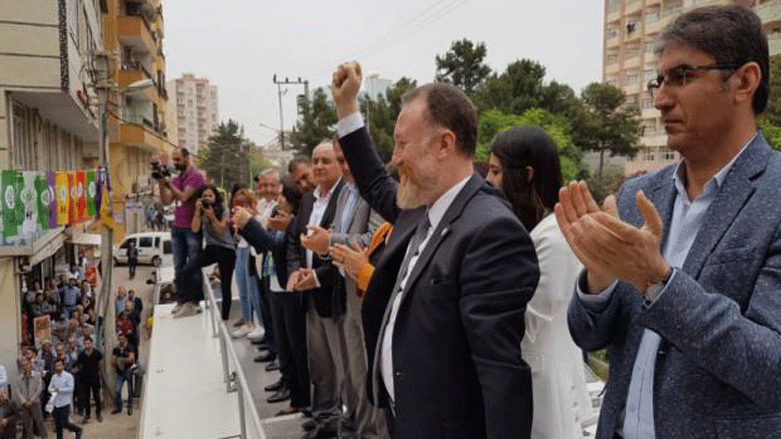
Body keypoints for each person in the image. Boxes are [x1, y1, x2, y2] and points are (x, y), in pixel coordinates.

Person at [556, 6, 781, 438]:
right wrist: (598, 279)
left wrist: (658, 281)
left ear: (744, 81)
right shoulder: (638, 197)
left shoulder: (774, 198)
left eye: (682, 77)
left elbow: (771, 369)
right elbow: (587, 335)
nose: (660, 99)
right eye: (659, 81)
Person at [331, 62, 539, 438]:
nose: (394, 158)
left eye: (402, 144)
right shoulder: (420, 207)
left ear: (445, 144)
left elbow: (501, 377)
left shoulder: (490, 231)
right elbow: (377, 184)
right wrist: (347, 110)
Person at [486, 127, 590, 439]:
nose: (489, 181)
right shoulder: (539, 230)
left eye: (495, 171)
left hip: (542, 383)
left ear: (526, 174)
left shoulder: (552, 237)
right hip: (537, 376)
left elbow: (531, 324)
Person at [300, 134, 384, 438]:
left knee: (370, 380)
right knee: (353, 376)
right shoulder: (348, 191)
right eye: (339, 159)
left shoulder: (378, 192)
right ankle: (358, 430)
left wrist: (329, 242)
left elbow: (373, 244)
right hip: (346, 295)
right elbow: (338, 230)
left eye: (343, 160)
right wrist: (322, 242)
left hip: (367, 292)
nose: (343, 166)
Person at [234, 176, 312, 415]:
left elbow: (276, 247)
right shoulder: (280, 219)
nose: (277, 200)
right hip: (274, 283)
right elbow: (264, 248)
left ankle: (300, 397)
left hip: (288, 289)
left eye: (281, 196)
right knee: (282, 341)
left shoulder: (294, 223)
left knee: (294, 346)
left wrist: (251, 225)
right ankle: (291, 388)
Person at [286, 142, 346, 421]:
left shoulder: (346, 198)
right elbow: (294, 242)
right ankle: (324, 417)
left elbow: (344, 249)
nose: (319, 166)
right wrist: (295, 271)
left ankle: (345, 420)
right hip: (307, 297)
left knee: (343, 366)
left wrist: (317, 278)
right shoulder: (309, 200)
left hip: (335, 295)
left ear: (339, 165)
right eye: (316, 160)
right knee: (319, 363)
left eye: (327, 160)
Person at [175, 185, 236, 320]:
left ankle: (225, 317)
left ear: (215, 197)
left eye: (210, 196)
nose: (208, 199)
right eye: (205, 197)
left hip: (226, 249)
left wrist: (213, 217)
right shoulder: (201, 210)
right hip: (211, 248)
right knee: (188, 268)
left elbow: (221, 231)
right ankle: (192, 301)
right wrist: (197, 212)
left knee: (226, 285)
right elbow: (195, 229)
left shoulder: (223, 208)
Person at [158, 147, 206, 316]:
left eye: (178, 159)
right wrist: (161, 184)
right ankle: (182, 299)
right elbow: (166, 201)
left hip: (192, 228)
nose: (175, 163)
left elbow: (184, 197)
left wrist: (169, 183)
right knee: (178, 266)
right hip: (177, 227)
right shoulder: (178, 179)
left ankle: (195, 301)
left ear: (187, 158)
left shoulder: (195, 176)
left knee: (193, 265)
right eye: (174, 160)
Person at [230, 188, 265, 338]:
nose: (240, 207)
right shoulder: (237, 218)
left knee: (253, 291)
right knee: (242, 289)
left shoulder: (255, 219)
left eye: (244, 203)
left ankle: (261, 324)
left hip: (251, 252)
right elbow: (237, 238)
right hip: (241, 250)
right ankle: (248, 322)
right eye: (238, 204)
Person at [13, 358, 47, 439]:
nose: (24, 367)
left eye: (25, 365)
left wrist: (32, 399)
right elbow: (18, 391)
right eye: (22, 366)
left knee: (39, 422)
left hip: (35, 402)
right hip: (24, 404)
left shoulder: (37, 376)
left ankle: (44, 436)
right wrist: (24, 401)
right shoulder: (18, 379)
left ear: (30, 365)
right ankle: (31, 437)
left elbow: (39, 389)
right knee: (27, 423)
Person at [48, 358, 82, 439]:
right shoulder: (54, 377)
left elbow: (70, 389)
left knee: (64, 423)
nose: (58, 367)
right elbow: (49, 388)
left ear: (63, 366)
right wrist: (54, 390)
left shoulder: (68, 376)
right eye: (56, 366)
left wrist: (59, 390)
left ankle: (77, 429)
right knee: (58, 425)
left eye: (59, 365)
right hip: (55, 403)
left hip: (65, 403)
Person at [75, 337, 102, 423]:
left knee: (97, 396)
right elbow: (78, 366)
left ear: (92, 343)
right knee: (86, 397)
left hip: (95, 378)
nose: (87, 345)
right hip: (85, 379)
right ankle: (88, 414)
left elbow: (101, 364)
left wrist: (100, 373)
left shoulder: (97, 353)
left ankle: (98, 413)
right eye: (85, 343)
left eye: (88, 343)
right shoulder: (81, 355)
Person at [111, 333, 136, 416]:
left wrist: (120, 360)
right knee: (118, 390)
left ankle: (130, 407)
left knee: (129, 390)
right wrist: (121, 360)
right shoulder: (116, 349)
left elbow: (131, 359)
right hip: (119, 372)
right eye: (120, 339)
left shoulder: (129, 347)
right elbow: (113, 361)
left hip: (128, 370)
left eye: (123, 339)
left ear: (125, 339)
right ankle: (118, 407)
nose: (121, 341)